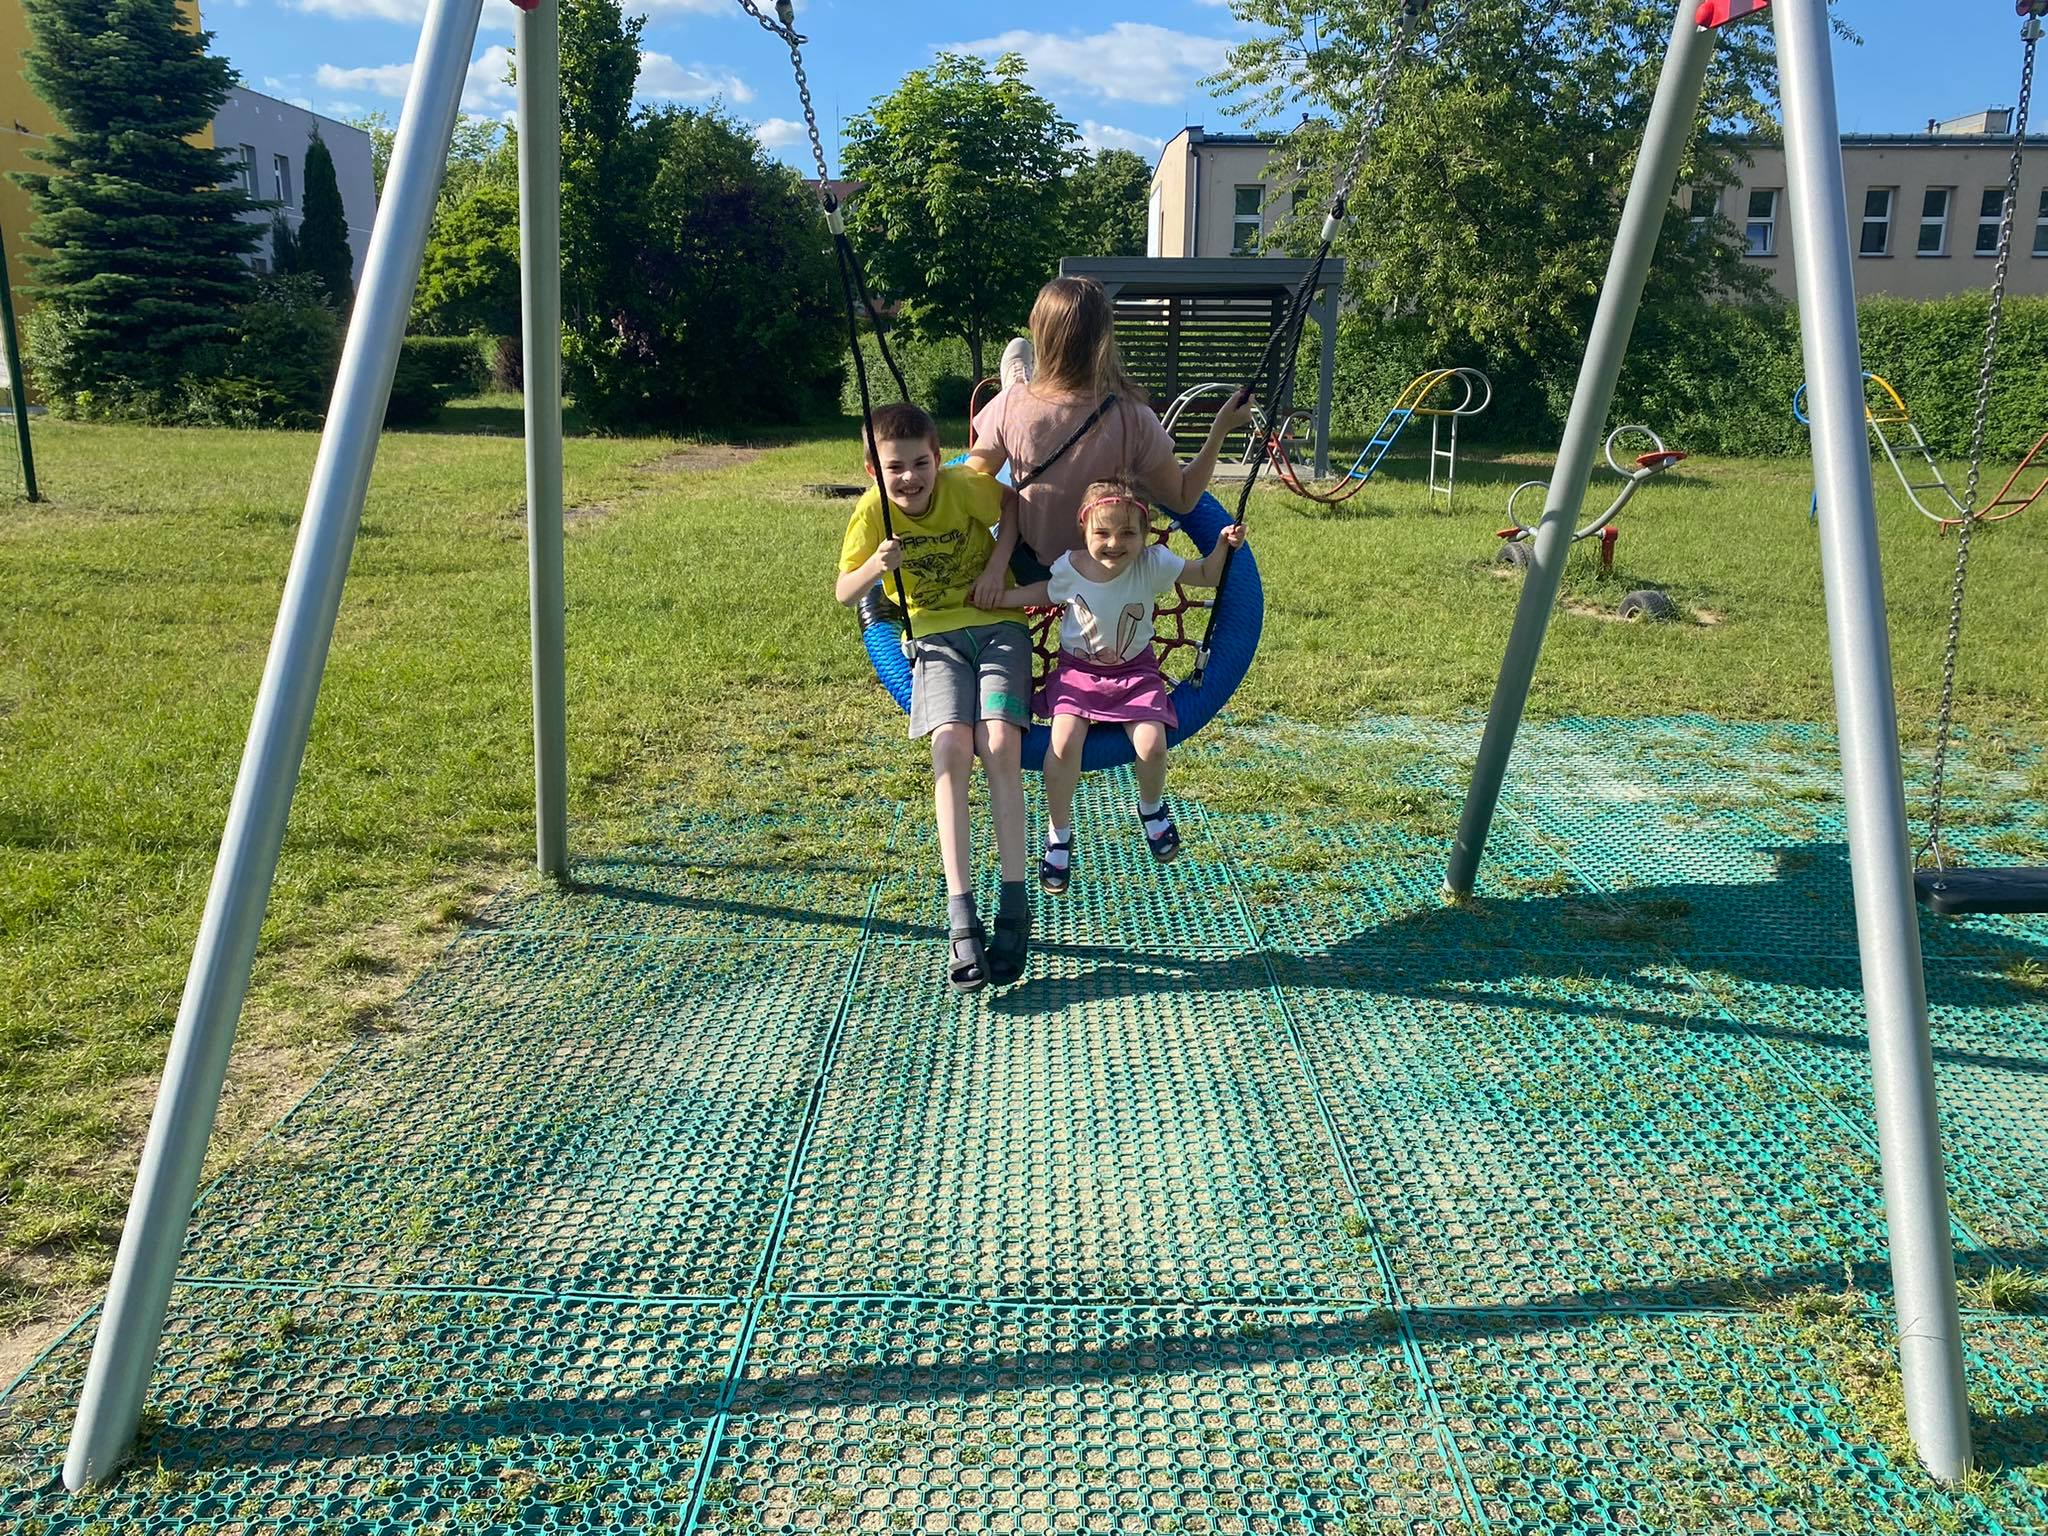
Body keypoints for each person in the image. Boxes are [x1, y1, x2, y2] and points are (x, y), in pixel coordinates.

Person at [835, 402, 1032, 991]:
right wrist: (876, 565)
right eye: (894, 468)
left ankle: (1015, 901)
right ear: (873, 471)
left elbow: (1011, 506)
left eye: (920, 463)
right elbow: (844, 590)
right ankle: (960, 909)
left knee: (1000, 742)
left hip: (999, 624)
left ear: (936, 458)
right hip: (933, 635)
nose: (910, 477)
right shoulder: (872, 512)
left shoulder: (960, 485)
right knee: (949, 747)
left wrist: (997, 566)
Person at [999, 479, 1245, 890]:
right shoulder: (1071, 566)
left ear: (1146, 533)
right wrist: (1002, 598)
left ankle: (1151, 808)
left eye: (1128, 532)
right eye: (1103, 532)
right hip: (1078, 675)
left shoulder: (1153, 563)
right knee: (1062, 744)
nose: (1114, 543)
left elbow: (1207, 575)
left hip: (1135, 675)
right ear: (1084, 529)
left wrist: (1223, 544)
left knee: (1152, 745)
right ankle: (1059, 832)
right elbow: (1044, 592)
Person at [966, 275, 1254, 582]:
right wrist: (1220, 430)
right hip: (1106, 569)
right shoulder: (1133, 416)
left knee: (1009, 469)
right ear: (1105, 337)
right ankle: (1018, 383)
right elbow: (1183, 498)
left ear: (1040, 332)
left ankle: (1018, 379)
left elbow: (968, 482)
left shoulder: (1012, 405)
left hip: (1030, 567)